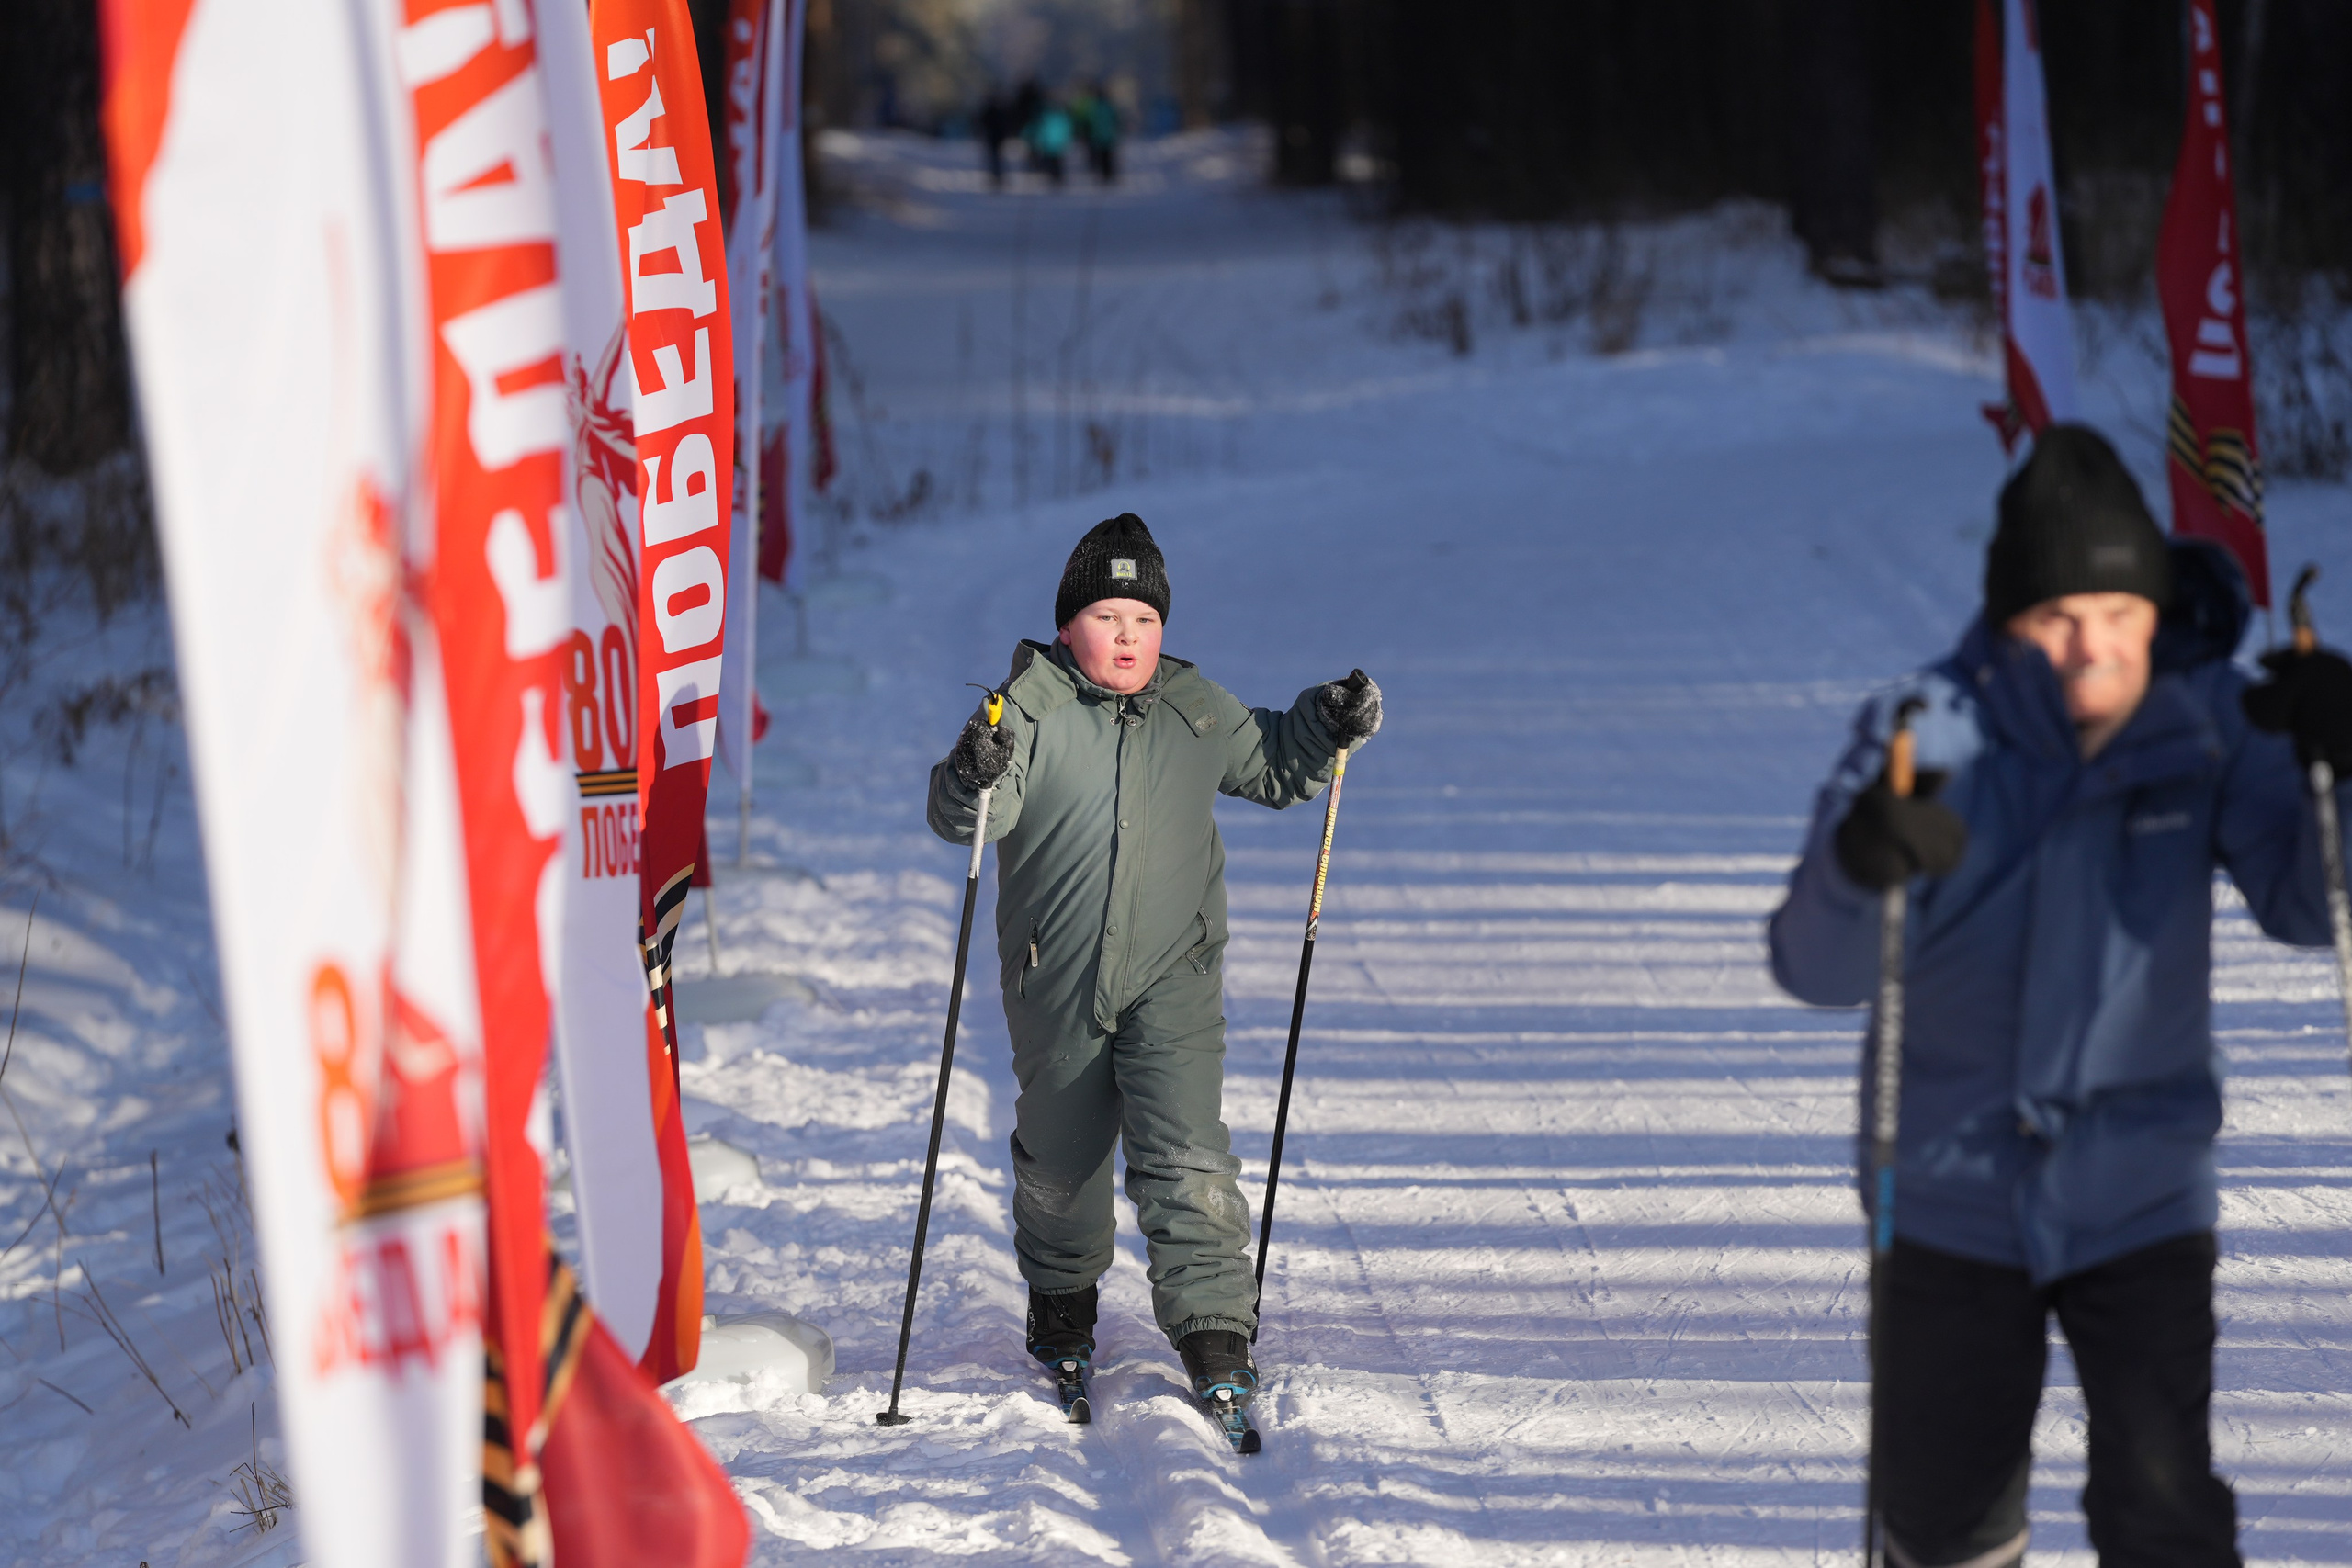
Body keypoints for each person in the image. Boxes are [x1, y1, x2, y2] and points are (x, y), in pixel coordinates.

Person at [1770, 424, 2352, 1568]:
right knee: (1946, 1524)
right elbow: (1815, 968)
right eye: (2054, 619)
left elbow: (2312, 907)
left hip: (2138, 1188)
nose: (2090, 648)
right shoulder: (1928, 737)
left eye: (2117, 615)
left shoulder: (2212, 724)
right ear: (2005, 622)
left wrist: (2345, 768)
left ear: (2152, 613)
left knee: (2164, 1510)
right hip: (1947, 1197)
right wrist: (1859, 862)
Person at [927, 513, 1382, 1417]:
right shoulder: (1026, 711)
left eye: (1142, 620)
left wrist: (1329, 725)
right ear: (1067, 627)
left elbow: (1278, 764)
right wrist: (970, 773)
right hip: (1054, 974)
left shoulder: (1194, 707)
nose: (1126, 637)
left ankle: (1214, 1324)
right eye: (1105, 618)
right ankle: (1062, 1310)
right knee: (1061, 1155)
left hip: (1175, 970)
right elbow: (971, 815)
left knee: (1185, 1146)